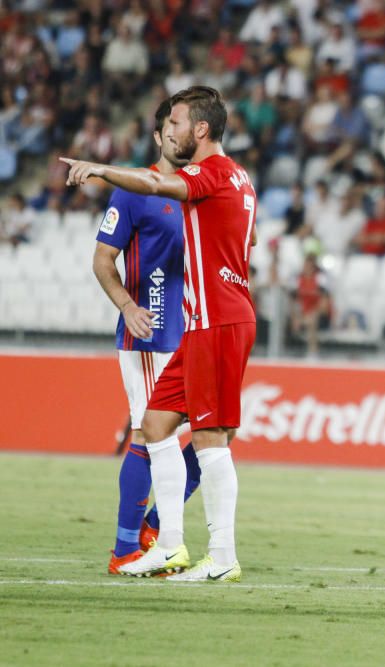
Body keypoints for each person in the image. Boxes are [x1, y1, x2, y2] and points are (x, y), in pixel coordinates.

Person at [62, 86, 257, 583]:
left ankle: (223, 555)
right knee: (154, 425)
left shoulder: (209, 174)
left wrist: (102, 169)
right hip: (202, 320)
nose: (169, 131)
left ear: (200, 130)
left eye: (177, 122)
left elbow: (157, 186)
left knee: (212, 437)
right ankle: (167, 544)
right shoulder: (239, 177)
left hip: (215, 318)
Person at [94, 99, 201, 575]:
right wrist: (128, 306)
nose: (178, 136)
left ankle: (154, 526)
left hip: (192, 334)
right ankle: (124, 549)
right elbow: (102, 259)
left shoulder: (198, 191)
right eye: (170, 129)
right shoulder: (133, 191)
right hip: (149, 332)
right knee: (146, 433)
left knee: (215, 435)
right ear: (159, 138)